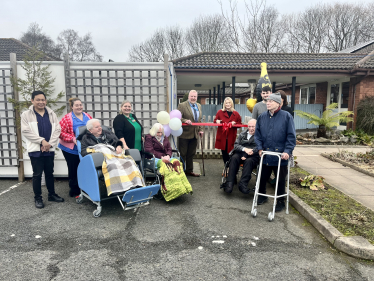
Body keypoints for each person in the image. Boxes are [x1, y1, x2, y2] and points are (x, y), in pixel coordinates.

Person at [21, 91, 64, 209]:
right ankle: (38, 198)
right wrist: (42, 141)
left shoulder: (51, 113)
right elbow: (26, 131)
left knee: (50, 173)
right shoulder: (26, 114)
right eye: (38, 100)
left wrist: (49, 144)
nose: (41, 102)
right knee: (37, 174)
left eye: (43, 100)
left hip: (49, 149)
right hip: (35, 149)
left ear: (45, 101)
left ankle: (52, 194)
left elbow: (57, 130)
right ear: (32, 101)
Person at [255, 92, 296, 212]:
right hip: (266, 154)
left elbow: (291, 136)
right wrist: (260, 148)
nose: (268, 103)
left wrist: (288, 151)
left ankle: (280, 201)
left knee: (280, 179)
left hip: (281, 155)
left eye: (270, 101)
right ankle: (262, 196)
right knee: (262, 177)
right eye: (267, 101)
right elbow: (257, 135)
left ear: (278, 103)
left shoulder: (286, 116)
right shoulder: (262, 117)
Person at [144, 123, 192, 201]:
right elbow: (149, 150)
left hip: (166, 157)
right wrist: (162, 157)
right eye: (158, 132)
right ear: (154, 131)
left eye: (161, 132)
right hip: (154, 158)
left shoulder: (164, 137)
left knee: (177, 162)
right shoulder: (149, 137)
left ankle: (181, 186)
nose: (160, 134)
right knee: (167, 165)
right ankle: (169, 190)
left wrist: (168, 156)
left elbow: (169, 148)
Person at [59, 97, 92, 197]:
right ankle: (74, 190)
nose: (79, 107)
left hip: (84, 147)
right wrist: (73, 139)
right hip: (70, 148)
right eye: (76, 105)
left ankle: (84, 188)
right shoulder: (67, 118)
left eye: (80, 105)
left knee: (84, 167)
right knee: (74, 168)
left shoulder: (87, 116)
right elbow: (60, 133)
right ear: (72, 107)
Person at [221, 119, 260, 194]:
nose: (251, 128)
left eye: (253, 126)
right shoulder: (242, 134)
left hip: (253, 155)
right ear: (247, 127)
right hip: (241, 153)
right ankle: (229, 183)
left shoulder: (260, 135)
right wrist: (245, 149)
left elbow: (261, 146)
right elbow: (236, 145)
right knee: (234, 158)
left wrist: (252, 151)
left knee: (249, 161)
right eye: (249, 126)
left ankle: (243, 184)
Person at [177, 90, 203, 177]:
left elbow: (199, 120)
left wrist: (201, 129)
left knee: (191, 154)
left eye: (195, 96)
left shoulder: (198, 105)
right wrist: (185, 120)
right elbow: (177, 117)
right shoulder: (182, 105)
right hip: (184, 134)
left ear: (197, 97)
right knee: (183, 154)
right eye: (192, 96)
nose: (193, 98)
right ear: (188, 96)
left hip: (194, 134)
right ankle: (181, 172)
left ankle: (189, 171)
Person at [214, 97, 242, 164]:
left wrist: (234, 124)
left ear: (232, 104)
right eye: (226, 103)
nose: (228, 104)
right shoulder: (220, 112)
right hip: (222, 136)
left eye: (229, 103)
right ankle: (226, 168)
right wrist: (217, 121)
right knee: (224, 153)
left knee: (231, 152)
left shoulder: (236, 114)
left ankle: (230, 167)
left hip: (231, 136)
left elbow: (240, 124)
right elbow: (215, 121)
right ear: (224, 104)